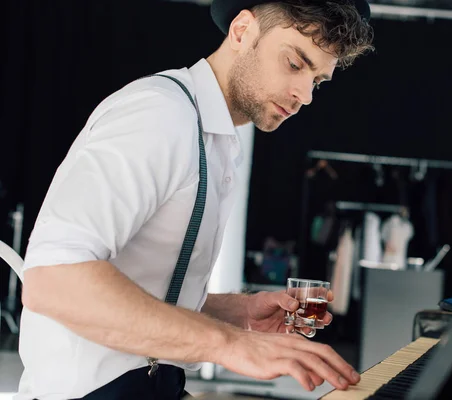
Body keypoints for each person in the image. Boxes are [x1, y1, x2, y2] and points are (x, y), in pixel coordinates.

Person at [16, 0, 375, 399]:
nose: (304, 95)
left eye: (317, 81)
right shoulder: (161, 113)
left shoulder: (214, 136)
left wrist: (237, 314)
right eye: (294, 64)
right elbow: (52, 279)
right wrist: (231, 345)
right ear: (241, 31)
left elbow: (146, 288)